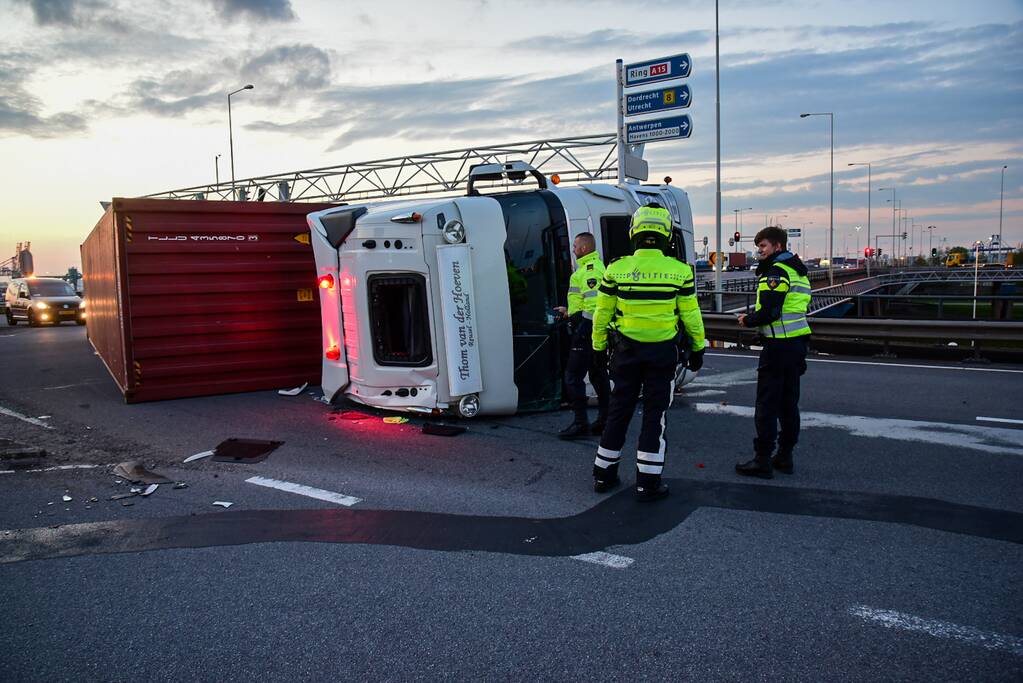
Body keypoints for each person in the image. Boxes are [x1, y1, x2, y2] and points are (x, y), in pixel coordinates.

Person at [591, 204, 705, 502]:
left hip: (625, 353)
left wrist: (598, 347)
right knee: (656, 416)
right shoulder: (680, 272)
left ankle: (603, 475)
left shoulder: (615, 269)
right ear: (667, 234)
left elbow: (601, 314)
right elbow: (691, 315)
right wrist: (698, 348)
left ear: (634, 232)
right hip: (662, 354)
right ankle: (648, 484)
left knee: (618, 412)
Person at [735, 226, 812, 478]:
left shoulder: (777, 272)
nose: (760, 251)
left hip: (779, 347)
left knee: (766, 405)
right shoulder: (798, 270)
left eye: (763, 246)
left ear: (777, 246)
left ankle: (762, 460)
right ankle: (785, 456)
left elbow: (770, 311)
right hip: (797, 344)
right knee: (789, 404)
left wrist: (748, 320)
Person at [555, 233, 611, 439]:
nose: (573, 249)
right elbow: (585, 302)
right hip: (592, 330)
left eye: (575, 246)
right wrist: (568, 311)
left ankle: (581, 423)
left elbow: (595, 306)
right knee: (597, 375)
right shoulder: (590, 268)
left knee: (572, 377)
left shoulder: (590, 270)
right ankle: (605, 422)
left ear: (585, 248)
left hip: (588, 331)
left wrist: (581, 326)